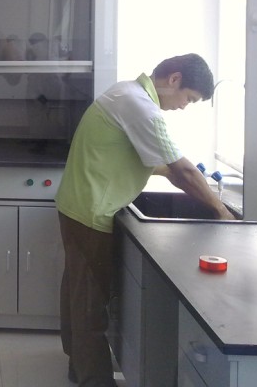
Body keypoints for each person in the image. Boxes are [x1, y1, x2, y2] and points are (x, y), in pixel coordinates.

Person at [55, 53, 234, 387]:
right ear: (174, 79)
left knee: (77, 292)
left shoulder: (126, 92)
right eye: (189, 98)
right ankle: (94, 380)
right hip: (91, 211)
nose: (184, 107)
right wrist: (221, 211)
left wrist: (194, 186)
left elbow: (157, 165)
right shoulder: (141, 106)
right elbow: (182, 171)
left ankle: (77, 364)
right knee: (90, 301)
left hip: (77, 205)